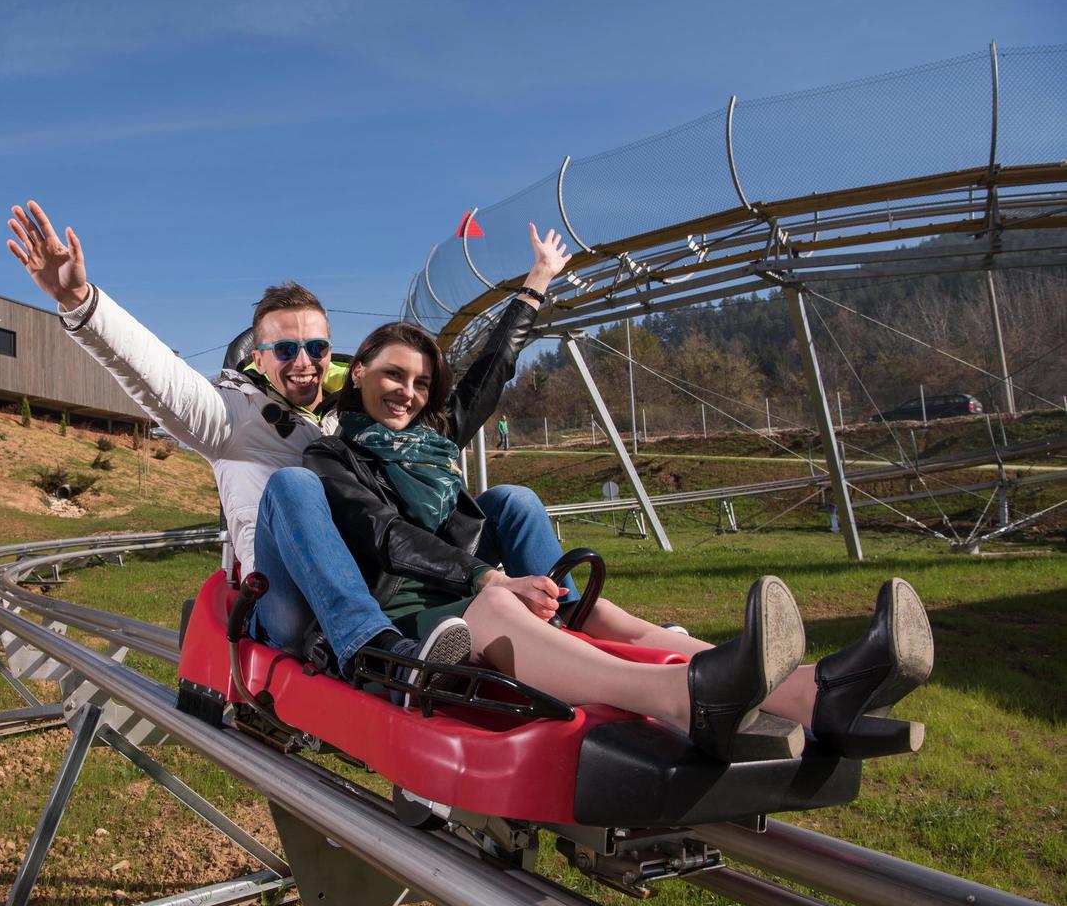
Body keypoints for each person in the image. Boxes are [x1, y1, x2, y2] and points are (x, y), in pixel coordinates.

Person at [303, 320, 936, 763]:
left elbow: (488, 377)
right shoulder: (333, 456)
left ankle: (813, 692)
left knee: (595, 611)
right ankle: (685, 700)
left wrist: (534, 290)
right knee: (501, 607)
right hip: (415, 610)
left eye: (419, 383)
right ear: (356, 371)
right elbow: (385, 540)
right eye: (393, 375)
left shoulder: (432, 443)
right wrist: (490, 580)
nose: (407, 393)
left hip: (468, 591)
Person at [5, 200, 577, 676]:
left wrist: (533, 288)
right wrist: (81, 304)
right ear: (259, 357)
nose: (302, 362)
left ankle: (571, 621)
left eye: (316, 348)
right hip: (287, 597)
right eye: (284, 350)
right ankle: (374, 652)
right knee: (297, 485)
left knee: (507, 501)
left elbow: (470, 395)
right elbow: (160, 379)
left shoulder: (350, 420)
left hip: (369, 574)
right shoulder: (229, 416)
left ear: (335, 355)